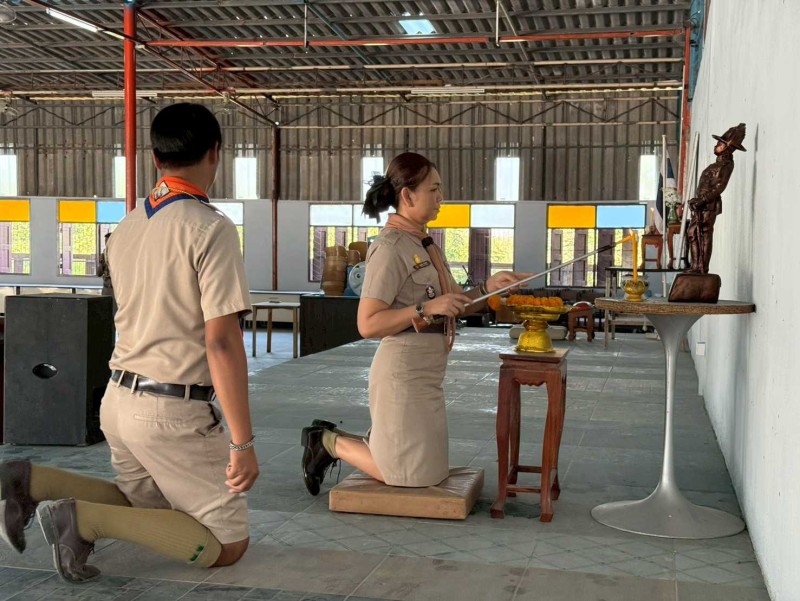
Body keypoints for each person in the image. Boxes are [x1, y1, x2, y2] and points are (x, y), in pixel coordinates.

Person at [0, 103, 259, 583]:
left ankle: (28, 482)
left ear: (156, 158)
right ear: (215, 153)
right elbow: (222, 342)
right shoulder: (210, 228)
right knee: (226, 544)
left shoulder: (127, 228)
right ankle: (80, 521)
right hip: (171, 410)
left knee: (147, 507)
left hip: (118, 401)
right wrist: (242, 442)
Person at [300, 152, 528, 494]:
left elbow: (456, 304)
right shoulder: (390, 247)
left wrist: (488, 288)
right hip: (402, 371)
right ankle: (327, 441)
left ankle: (362, 442)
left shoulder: (424, 244)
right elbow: (368, 324)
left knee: (429, 471)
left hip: (428, 372)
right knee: (406, 474)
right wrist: (424, 308)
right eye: (433, 190)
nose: (440, 198)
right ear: (407, 196)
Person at [685, 123, 746, 273]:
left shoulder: (726, 164)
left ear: (728, 148)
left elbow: (719, 187)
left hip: (708, 205)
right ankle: (696, 266)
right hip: (701, 204)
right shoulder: (718, 163)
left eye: (720, 144)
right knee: (694, 233)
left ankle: (701, 267)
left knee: (703, 233)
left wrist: (702, 200)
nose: (716, 145)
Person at [95, 232, 116, 314]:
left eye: (108, 241)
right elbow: (98, 274)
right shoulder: (103, 255)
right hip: (106, 288)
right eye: (105, 241)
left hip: (115, 289)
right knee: (105, 311)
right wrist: (101, 263)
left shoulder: (119, 255)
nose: (106, 244)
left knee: (115, 312)